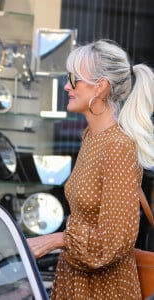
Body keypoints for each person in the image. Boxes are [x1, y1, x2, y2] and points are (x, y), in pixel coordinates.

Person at [27, 39, 154, 299]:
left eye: (74, 79)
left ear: (101, 86)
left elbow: (115, 240)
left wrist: (57, 239)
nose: (66, 86)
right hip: (78, 280)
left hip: (104, 288)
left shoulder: (117, 146)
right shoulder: (91, 138)